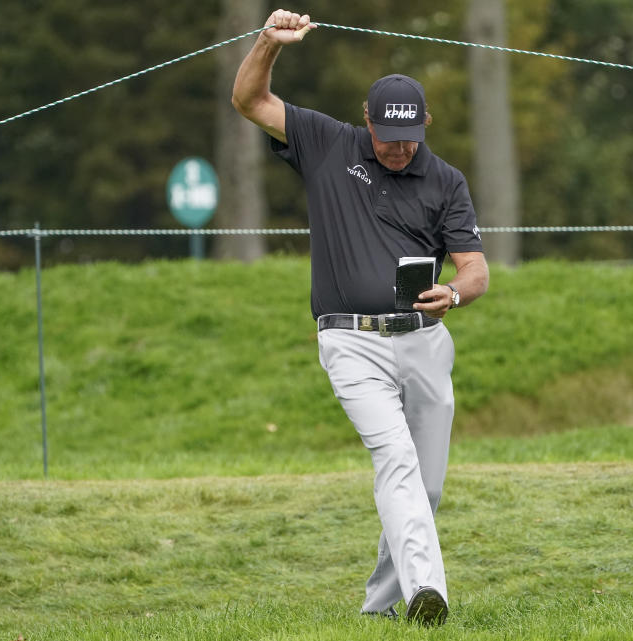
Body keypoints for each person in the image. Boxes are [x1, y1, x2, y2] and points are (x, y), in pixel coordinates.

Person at [231, 9, 489, 626]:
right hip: (351, 344)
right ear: (366, 121)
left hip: (426, 342)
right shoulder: (326, 142)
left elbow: (476, 270)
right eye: (387, 137)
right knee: (395, 461)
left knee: (424, 490)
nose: (398, 150)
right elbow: (248, 99)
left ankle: (378, 610)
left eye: (409, 138)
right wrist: (270, 42)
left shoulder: (445, 179)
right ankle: (431, 594)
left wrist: (452, 295)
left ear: (426, 124)